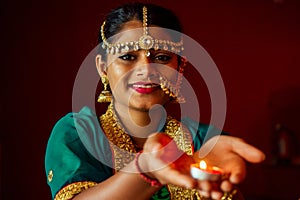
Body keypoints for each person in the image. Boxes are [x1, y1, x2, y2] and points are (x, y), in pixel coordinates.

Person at [45, 2, 265, 200]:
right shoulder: (80, 133)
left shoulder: (202, 142)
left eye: (161, 58)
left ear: (180, 68)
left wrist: (222, 189)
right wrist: (147, 169)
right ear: (102, 67)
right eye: (128, 57)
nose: (146, 70)